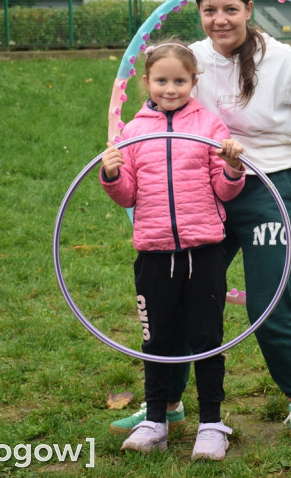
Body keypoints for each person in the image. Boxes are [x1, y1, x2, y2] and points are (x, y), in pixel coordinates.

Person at [108, 0, 291, 440]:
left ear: (249, 9)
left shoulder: (284, 61)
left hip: (270, 192)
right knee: (176, 296)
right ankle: (167, 403)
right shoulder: (190, 60)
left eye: (230, 9)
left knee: (267, 299)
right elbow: (155, 112)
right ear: (199, 12)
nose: (220, 20)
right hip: (202, 192)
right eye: (209, 10)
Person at [100, 40, 246, 461]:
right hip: (154, 254)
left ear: (192, 82)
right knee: (157, 340)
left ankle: (212, 423)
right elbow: (127, 195)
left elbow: (224, 188)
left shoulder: (209, 126)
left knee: (206, 338)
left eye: (179, 80)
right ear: (146, 81)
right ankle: (155, 421)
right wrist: (111, 174)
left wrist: (233, 166)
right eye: (161, 80)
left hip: (204, 253)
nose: (170, 88)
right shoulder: (132, 132)